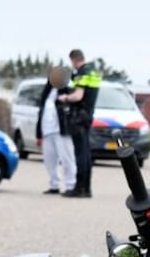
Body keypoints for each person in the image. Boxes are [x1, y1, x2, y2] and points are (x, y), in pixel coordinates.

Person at [56, 49, 102, 198]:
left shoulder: (82, 72)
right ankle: (87, 188)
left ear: (74, 59)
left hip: (79, 117)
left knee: (80, 153)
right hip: (88, 115)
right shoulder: (93, 71)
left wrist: (65, 98)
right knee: (86, 153)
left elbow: (78, 96)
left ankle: (79, 188)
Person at [34, 65, 76, 195]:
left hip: (62, 130)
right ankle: (54, 184)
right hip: (47, 131)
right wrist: (39, 133)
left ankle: (71, 185)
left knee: (67, 158)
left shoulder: (67, 90)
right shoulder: (46, 93)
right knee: (49, 160)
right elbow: (41, 113)